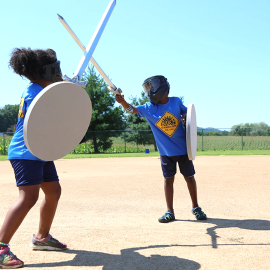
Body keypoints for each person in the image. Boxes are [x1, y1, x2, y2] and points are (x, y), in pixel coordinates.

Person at [0, 48, 67, 268]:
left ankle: (42, 237)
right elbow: (54, 116)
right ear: (47, 70)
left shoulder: (39, 89)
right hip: (26, 152)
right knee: (28, 197)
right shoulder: (36, 92)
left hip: (41, 150)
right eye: (56, 68)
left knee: (53, 191)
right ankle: (1, 248)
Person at [115, 75, 207, 223]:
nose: (149, 91)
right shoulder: (148, 108)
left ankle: (196, 207)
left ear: (163, 89)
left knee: (189, 178)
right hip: (166, 153)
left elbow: (188, 114)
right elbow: (132, 110)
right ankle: (170, 211)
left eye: (152, 87)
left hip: (184, 150)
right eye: (147, 88)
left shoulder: (176, 102)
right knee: (168, 181)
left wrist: (185, 117)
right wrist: (123, 102)